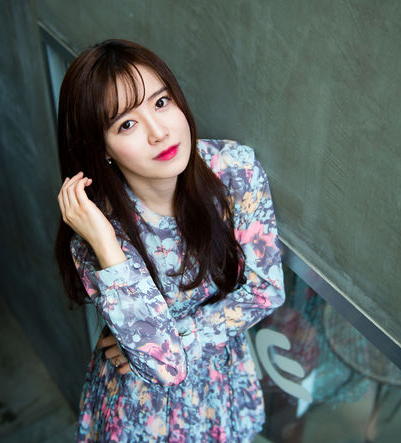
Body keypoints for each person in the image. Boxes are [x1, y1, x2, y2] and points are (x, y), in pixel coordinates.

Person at [55, 39, 285, 442]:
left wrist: (176, 337)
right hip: (141, 410)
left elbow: (267, 291)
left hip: (220, 386)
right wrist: (107, 247)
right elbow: (166, 367)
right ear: (102, 149)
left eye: (161, 103)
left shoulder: (234, 171)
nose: (159, 132)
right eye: (126, 124)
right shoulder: (96, 233)